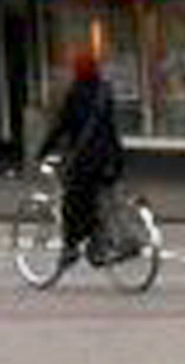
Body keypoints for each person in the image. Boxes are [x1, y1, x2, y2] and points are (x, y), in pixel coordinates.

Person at [37, 44, 125, 263]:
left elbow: (62, 126)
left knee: (71, 202)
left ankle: (70, 248)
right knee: (97, 199)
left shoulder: (76, 93)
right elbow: (111, 127)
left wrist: (43, 150)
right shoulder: (104, 91)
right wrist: (118, 158)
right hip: (109, 157)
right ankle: (97, 244)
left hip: (86, 159)